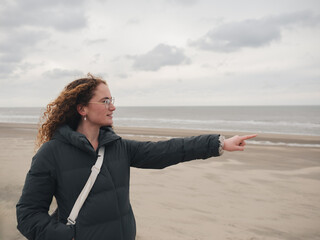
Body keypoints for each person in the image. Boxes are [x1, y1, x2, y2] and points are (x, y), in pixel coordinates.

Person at [16, 74, 257, 240]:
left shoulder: (117, 147)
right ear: (82, 109)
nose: (113, 106)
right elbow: (28, 213)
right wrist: (65, 236)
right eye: (105, 101)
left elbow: (168, 150)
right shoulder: (51, 153)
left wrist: (219, 144)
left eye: (113, 100)